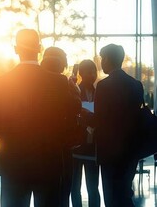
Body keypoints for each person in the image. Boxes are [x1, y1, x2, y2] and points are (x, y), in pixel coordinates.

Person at [0, 29, 73, 206]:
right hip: (49, 161)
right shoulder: (59, 83)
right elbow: (68, 123)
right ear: (39, 48)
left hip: (13, 163)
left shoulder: (0, 83)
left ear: (15, 49)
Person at [82, 44, 143, 207]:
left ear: (108, 59)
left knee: (111, 196)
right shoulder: (136, 85)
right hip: (131, 149)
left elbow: (99, 120)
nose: (101, 62)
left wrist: (84, 114)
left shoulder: (104, 86)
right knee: (124, 192)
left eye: (102, 58)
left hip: (110, 151)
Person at [40, 47, 82, 207]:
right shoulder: (65, 83)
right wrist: (74, 89)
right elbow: (75, 107)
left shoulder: (35, 83)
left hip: (39, 147)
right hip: (61, 145)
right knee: (62, 189)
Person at [71, 59, 100, 207]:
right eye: (89, 72)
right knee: (74, 187)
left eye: (94, 71)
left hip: (92, 146)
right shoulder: (74, 90)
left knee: (93, 187)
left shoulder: (100, 92)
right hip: (77, 146)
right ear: (81, 73)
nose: (92, 75)